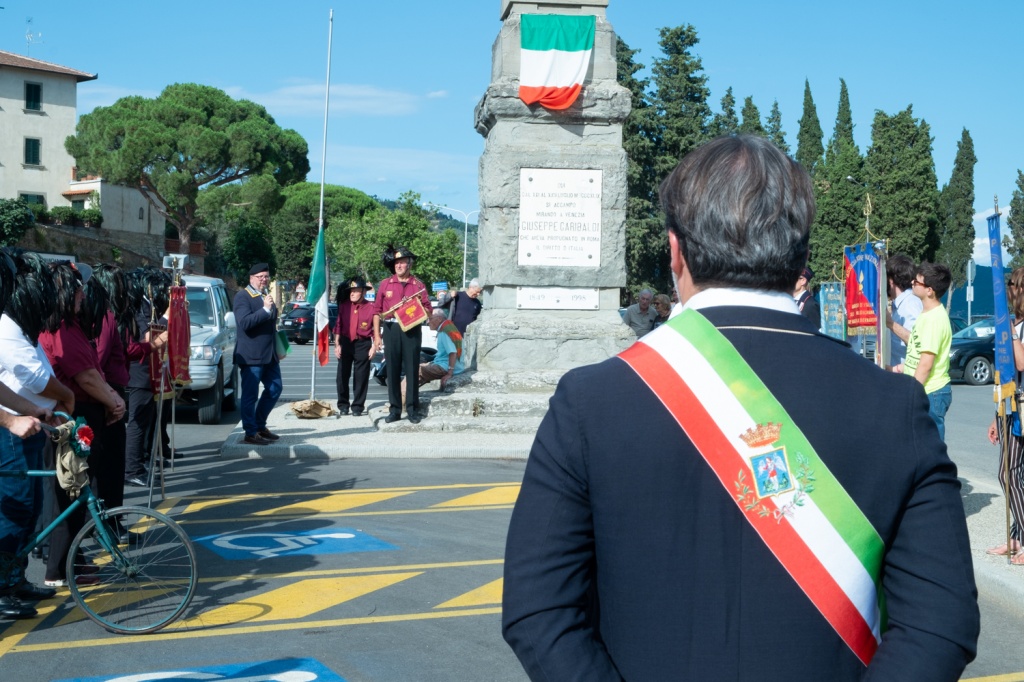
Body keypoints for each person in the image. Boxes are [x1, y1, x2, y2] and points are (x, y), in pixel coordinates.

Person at [502, 135, 979, 681]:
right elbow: (939, 625)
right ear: (800, 256)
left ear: (675, 251)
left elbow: (539, 612)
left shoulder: (589, 401)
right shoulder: (894, 406)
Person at [39, 261, 124, 588]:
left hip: (86, 410)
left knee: (76, 488)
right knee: (71, 489)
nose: (82, 293)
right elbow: (85, 376)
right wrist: (113, 400)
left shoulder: (70, 324)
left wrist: (111, 398)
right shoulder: (59, 326)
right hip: (76, 414)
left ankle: (68, 562)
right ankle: (58, 567)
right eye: (77, 287)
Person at [0, 250, 67, 619]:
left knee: (27, 509)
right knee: (14, 509)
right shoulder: (6, 328)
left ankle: (13, 580)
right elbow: (30, 377)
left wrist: (33, 411)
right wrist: (11, 421)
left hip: (21, 426)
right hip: (8, 435)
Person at [985, 267, 1024, 562]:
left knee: (1008, 474)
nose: (1007, 289)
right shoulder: (1015, 322)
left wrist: (1010, 332)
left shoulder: (1018, 326)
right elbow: (1004, 372)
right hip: (1008, 406)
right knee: (1011, 474)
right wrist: (995, 415)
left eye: (1011, 283)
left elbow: (1021, 364)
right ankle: (1014, 537)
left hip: (1022, 407)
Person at [373, 246, 432, 424]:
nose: (399, 266)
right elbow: (376, 311)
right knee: (392, 369)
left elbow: (429, 311)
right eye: (396, 263)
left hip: (411, 329)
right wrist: (377, 336)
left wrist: (415, 307)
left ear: (409, 265)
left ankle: (413, 409)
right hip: (391, 329)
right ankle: (395, 410)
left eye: (403, 262)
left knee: (412, 369)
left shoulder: (418, 286)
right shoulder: (385, 284)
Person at [123, 267, 169, 487]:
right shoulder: (139, 307)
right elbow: (147, 337)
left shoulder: (146, 305)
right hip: (138, 373)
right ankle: (132, 469)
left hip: (147, 371)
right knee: (137, 423)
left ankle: (139, 464)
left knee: (146, 422)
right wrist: (168, 317)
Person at [900, 262, 954, 441]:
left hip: (931, 391)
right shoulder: (927, 314)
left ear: (929, 290)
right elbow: (916, 345)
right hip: (927, 390)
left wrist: (911, 393)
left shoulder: (934, 319)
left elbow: (926, 364)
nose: (913, 283)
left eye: (917, 282)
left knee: (930, 448)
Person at [233, 263, 283, 445]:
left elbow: (271, 327)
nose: (264, 280)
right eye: (260, 277)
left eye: (266, 277)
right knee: (250, 395)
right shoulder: (243, 297)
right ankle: (250, 431)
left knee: (275, 388)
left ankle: (260, 425)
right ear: (251, 278)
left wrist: (280, 348)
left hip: (269, 355)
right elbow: (244, 323)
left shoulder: (265, 296)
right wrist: (265, 310)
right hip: (251, 355)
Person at [334, 276, 377, 417]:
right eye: (351, 290)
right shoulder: (344, 305)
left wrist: (374, 346)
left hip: (362, 343)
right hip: (346, 342)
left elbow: (375, 328)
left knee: (361, 376)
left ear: (363, 292)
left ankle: (358, 407)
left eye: (356, 290)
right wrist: (337, 344)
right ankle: (343, 405)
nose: (352, 293)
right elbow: (338, 325)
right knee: (342, 376)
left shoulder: (371, 307)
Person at [884, 254, 923, 369]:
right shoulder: (901, 304)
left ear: (890, 281)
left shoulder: (910, 304)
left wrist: (890, 324)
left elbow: (916, 342)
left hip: (907, 377)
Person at [410, 310, 464, 391]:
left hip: (445, 367)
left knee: (413, 370)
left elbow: (453, 353)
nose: (428, 322)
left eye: (430, 319)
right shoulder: (449, 327)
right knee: (418, 370)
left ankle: (401, 398)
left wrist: (449, 373)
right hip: (447, 365)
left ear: (439, 319)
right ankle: (406, 396)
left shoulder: (445, 331)